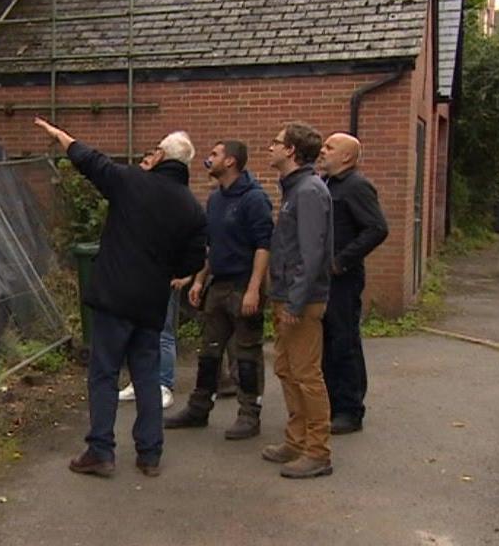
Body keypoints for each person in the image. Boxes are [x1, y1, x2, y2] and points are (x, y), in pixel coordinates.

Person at [33, 117, 205, 478]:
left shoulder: (131, 182)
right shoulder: (191, 207)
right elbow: (192, 261)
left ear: (160, 155)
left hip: (114, 298)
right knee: (146, 375)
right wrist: (164, 269)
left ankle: (100, 451)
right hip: (151, 304)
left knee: (104, 373)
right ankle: (150, 453)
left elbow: (93, 162)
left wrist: (62, 136)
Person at [164, 140, 273, 440]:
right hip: (218, 284)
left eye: (214, 154)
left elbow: (264, 246)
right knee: (209, 351)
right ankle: (199, 408)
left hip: (243, 286)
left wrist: (254, 290)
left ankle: (249, 414)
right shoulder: (216, 199)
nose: (208, 159)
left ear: (232, 162)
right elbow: (212, 246)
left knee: (247, 353)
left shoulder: (254, 199)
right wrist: (199, 279)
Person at [260, 122, 335, 479]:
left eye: (276, 143)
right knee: (287, 370)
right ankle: (296, 439)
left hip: (300, 301)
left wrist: (295, 301)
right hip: (286, 295)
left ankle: (318, 451)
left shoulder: (307, 191)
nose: (269, 147)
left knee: (307, 375)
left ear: (291, 150)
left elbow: (312, 251)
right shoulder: (295, 189)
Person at [316, 132, 389, 434]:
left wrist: (341, 260)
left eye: (330, 148)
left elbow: (376, 228)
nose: (323, 150)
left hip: (342, 279)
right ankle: (331, 403)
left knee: (343, 340)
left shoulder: (356, 186)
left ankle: (349, 409)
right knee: (328, 341)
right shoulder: (327, 184)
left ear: (346, 157)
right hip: (323, 278)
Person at [116, 147, 192, 410]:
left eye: (148, 161)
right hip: (136, 277)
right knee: (134, 332)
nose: (143, 165)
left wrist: (180, 272)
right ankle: (139, 382)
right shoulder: (138, 194)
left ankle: (163, 383)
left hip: (162, 276)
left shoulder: (171, 196)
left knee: (163, 331)